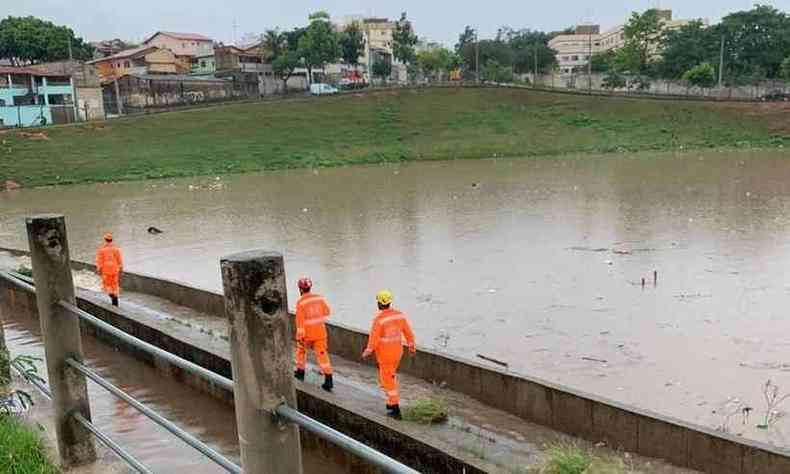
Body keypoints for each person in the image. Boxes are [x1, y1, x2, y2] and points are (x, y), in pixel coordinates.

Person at [362, 290, 416, 419]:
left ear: (380, 303)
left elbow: (373, 339)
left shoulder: (379, 320)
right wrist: (412, 347)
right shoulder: (399, 316)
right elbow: (409, 333)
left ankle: (395, 407)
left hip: (385, 355)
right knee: (390, 377)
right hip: (398, 353)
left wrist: (367, 351)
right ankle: (391, 403)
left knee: (387, 382)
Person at [293, 277, 334, 392]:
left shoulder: (301, 303)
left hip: (307, 335)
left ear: (300, 289)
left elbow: (300, 323)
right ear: (310, 287)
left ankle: (300, 372)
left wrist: (300, 337)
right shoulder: (319, 298)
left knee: (301, 351)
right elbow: (327, 312)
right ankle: (328, 379)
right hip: (321, 333)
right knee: (322, 355)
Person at [95, 233, 123, 307]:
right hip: (114, 269)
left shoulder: (101, 250)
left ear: (105, 240)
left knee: (107, 285)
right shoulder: (116, 249)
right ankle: (115, 299)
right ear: (112, 240)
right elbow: (119, 260)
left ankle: (112, 296)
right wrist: (121, 268)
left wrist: (99, 269)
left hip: (106, 270)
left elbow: (99, 261)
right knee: (115, 284)